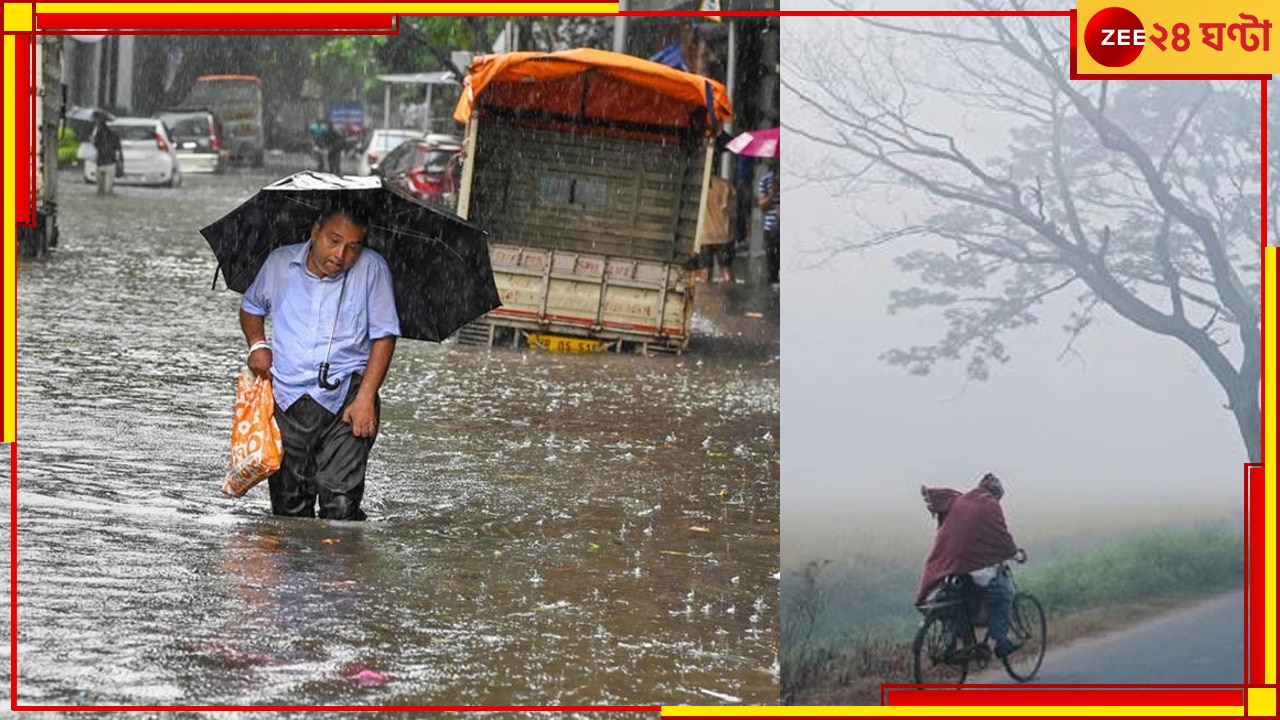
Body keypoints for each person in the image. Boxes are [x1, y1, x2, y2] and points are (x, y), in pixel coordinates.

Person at [239, 204, 401, 521]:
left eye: (353, 247)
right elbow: (251, 306)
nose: (341, 255)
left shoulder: (372, 269)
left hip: (348, 398)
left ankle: (341, 568)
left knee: (340, 508)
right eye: (334, 240)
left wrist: (366, 397)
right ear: (315, 232)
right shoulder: (279, 263)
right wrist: (257, 344)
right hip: (286, 398)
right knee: (289, 514)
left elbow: (384, 336)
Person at [916, 473, 1025, 658]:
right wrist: (1015, 554)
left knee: (958, 599)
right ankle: (998, 642)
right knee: (1003, 596)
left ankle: (952, 641)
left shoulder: (960, 500)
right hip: (974, 565)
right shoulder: (990, 505)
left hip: (950, 565)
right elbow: (1001, 536)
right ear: (996, 494)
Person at [696, 174, 737, 283]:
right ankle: (730, 295)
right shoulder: (725, 185)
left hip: (705, 235)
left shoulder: (700, 184)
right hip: (724, 235)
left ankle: (706, 297)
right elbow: (732, 211)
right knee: (726, 269)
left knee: (705, 272)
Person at [756, 159, 780, 288]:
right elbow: (762, 206)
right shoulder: (766, 180)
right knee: (773, 267)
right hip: (772, 229)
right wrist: (772, 194)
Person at [91, 113, 123, 196]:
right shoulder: (98, 137)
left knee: (103, 191)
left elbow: (118, 150)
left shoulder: (111, 136)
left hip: (106, 163)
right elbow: (119, 150)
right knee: (104, 191)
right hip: (106, 163)